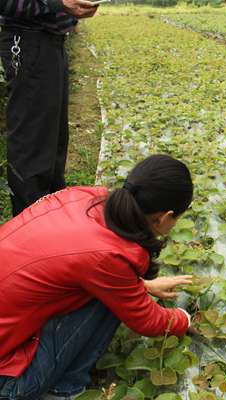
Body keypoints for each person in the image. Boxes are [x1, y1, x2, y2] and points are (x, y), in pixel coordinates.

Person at [0, 154, 197, 400]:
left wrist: (142, 285)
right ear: (165, 217)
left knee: (105, 293)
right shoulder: (108, 258)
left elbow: (78, 261)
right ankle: (63, 391)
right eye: (178, 218)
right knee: (107, 300)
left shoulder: (88, 197)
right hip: (8, 382)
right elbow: (146, 320)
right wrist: (183, 320)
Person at [0, 0, 100, 217]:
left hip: (50, 43)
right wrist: (59, 4)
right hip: (28, 42)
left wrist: (72, 9)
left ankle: (50, 222)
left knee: (53, 144)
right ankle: (28, 227)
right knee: (32, 147)